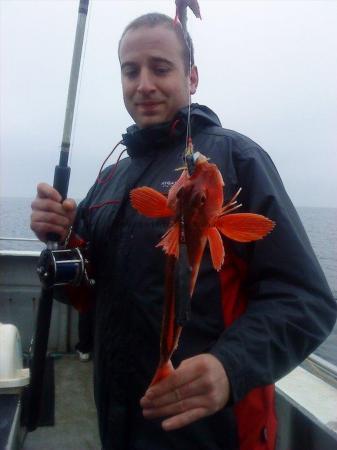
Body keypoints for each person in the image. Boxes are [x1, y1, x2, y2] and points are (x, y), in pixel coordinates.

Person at [31, 13, 336, 450]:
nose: (144, 84)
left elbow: (306, 301)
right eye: (130, 70)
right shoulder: (110, 178)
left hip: (214, 428)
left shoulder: (238, 158)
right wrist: (61, 242)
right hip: (122, 416)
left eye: (160, 67)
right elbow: (90, 293)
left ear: (191, 77)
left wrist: (230, 367)